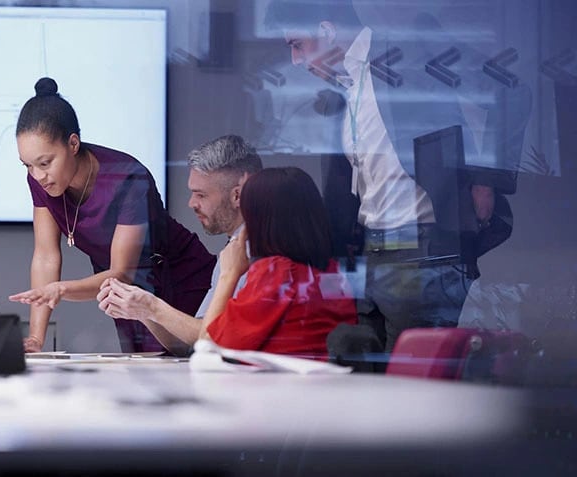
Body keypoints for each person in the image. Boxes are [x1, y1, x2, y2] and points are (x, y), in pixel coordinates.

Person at [267, 0, 530, 359]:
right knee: (363, 383)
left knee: (410, 386)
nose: (296, 60)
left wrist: (486, 181)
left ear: (327, 32)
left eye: (297, 45)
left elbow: (510, 89)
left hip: (424, 249)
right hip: (369, 255)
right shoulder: (341, 92)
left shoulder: (410, 51)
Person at [9, 77, 215, 353]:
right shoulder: (40, 179)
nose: (37, 175)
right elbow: (46, 256)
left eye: (45, 163)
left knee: (195, 369)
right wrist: (36, 337)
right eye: (28, 165)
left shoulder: (126, 177)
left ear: (73, 144)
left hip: (178, 279)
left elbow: (122, 272)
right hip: (124, 293)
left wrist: (60, 289)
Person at [97, 135, 263, 356]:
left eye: (201, 195)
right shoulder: (231, 253)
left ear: (237, 195)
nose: (192, 203)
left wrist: (152, 306)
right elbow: (191, 343)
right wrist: (142, 311)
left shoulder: (257, 254)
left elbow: (209, 339)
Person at [198, 167, 356, 356]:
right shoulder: (332, 272)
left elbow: (207, 346)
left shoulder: (276, 273)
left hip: (277, 383)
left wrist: (228, 275)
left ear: (258, 223)